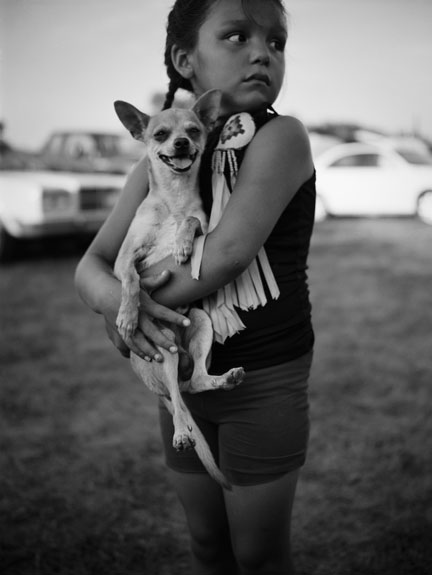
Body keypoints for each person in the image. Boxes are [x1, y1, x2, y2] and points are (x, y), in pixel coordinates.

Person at [75, 0, 316, 573]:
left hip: (263, 376)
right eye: (236, 36)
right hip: (179, 372)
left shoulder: (280, 137)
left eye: (276, 42)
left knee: (258, 554)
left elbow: (227, 255)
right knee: (207, 543)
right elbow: (92, 265)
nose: (262, 52)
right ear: (186, 60)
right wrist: (116, 302)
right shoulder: (161, 151)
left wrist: (135, 303)